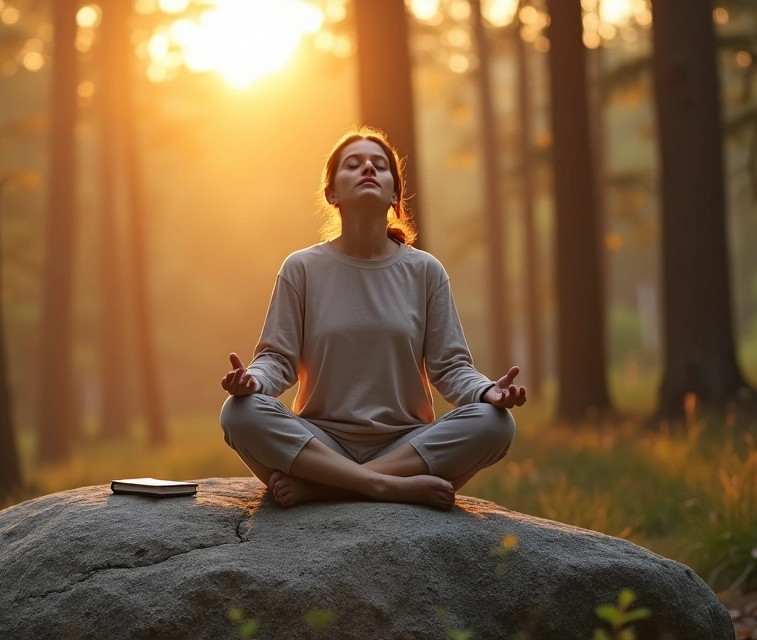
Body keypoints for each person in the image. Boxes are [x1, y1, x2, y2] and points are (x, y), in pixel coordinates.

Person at [218, 127, 526, 511]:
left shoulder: (425, 271)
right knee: (239, 413)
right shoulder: (301, 269)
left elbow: (450, 367)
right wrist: (253, 382)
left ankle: (329, 489)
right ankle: (383, 487)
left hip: (405, 444)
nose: (368, 168)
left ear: (395, 194)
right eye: (353, 164)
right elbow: (278, 360)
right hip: (320, 441)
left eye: (380, 166)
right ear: (332, 193)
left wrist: (486, 392)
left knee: (495, 423)